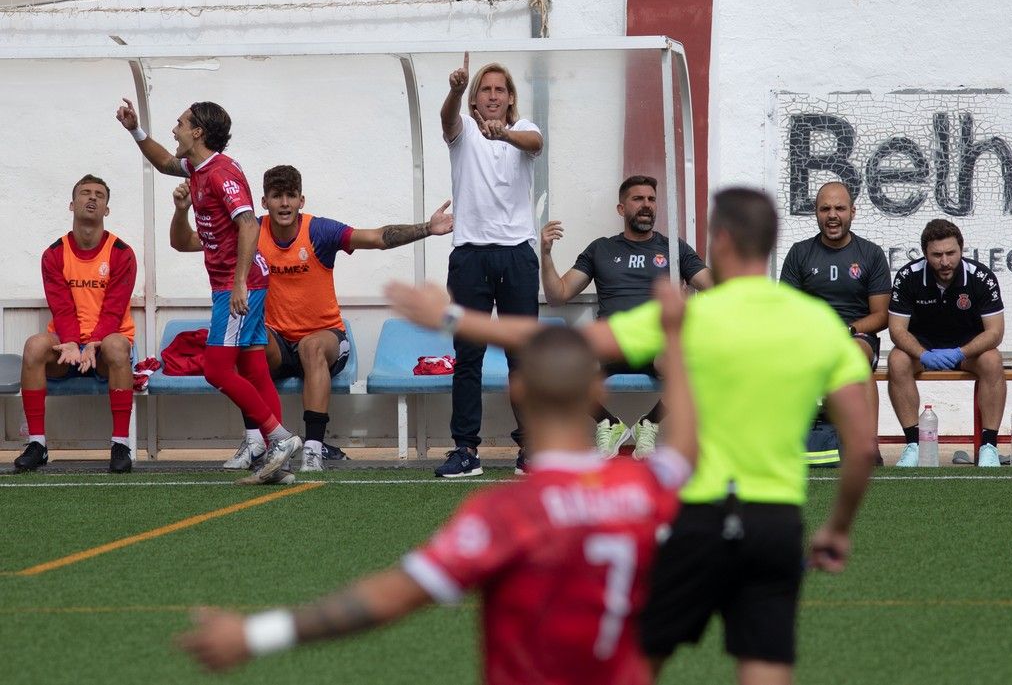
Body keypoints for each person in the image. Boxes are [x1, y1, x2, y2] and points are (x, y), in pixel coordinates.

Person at [387, 187, 877, 684]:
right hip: (775, 521)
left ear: (721, 240)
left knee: (638, 663)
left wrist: (451, 317)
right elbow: (859, 447)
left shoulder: (688, 317)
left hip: (698, 517)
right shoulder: (817, 324)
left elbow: (563, 343)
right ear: (772, 243)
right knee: (765, 668)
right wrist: (837, 527)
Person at [178, 279, 698, 685]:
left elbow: (390, 598)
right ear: (594, 389)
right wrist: (673, 336)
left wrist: (255, 634)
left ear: (517, 389)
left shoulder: (505, 514)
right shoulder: (651, 487)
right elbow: (687, 439)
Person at [170, 164, 454, 473]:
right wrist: (182, 210)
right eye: (277, 196)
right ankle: (256, 442)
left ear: (302, 200)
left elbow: (376, 238)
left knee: (310, 347)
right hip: (276, 339)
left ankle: (313, 449)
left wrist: (429, 227)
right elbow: (183, 243)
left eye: (291, 196)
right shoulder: (250, 232)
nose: (285, 204)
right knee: (244, 343)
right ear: (263, 202)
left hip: (325, 337)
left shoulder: (318, 231)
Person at [117, 98, 300, 484]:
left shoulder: (221, 173)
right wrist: (134, 129)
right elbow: (165, 161)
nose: (175, 129)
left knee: (217, 369)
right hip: (240, 282)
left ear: (198, 132)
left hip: (241, 284)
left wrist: (237, 283)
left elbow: (250, 225)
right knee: (252, 366)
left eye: (180, 123)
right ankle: (277, 459)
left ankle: (278, 439)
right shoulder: (195, 168)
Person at [541, 173, 713, 459]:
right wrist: (545, 254)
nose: (646, 205)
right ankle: (608, 422)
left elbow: (716, 288)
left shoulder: (674, 248)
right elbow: (557, 295)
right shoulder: (601, 249)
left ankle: (650, 424)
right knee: (552, 366)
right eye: (637, 199)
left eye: (651, 200)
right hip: (611, 344)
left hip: (657, 344)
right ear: (621, 208)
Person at [437, 52, 544, 478]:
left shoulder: (524, 128)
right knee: (468, 357)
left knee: (523, 357)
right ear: (476, 98)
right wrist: (455, 90)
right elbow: (448, 120)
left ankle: (531, 448)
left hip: (517, 253)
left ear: (511, 97)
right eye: (486, 89)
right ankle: (466, 450)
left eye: (500, 89)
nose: (494, 95)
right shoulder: (462, 131)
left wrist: (505, 136)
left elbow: (535, 144)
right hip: (470, 256)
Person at [14, 175, 137, 474]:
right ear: (72, 204)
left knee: (118, 345)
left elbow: (113, 309)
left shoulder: (122, 253)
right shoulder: (54, 253)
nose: (92, 198)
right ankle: (37, 444)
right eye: (85, 193)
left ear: (107, 209)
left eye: (99, 195)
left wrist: (93, 343)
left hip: (105, 348)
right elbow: (61, 306)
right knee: (33, 346)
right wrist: (71, 342)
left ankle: (121, 444)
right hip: (67, 348)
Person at [780, 180, 890, 459]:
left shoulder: (871, 254)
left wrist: (847, 329)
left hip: (855, 335)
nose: (832, 215)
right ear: (816, 213)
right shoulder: (799, 253)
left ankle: (868, 447)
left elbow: (880, 315)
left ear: (852, 212)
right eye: (824, 208)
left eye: (839, 208)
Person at [887, 218, 1006, 467]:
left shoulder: (981, 277)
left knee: (993, 359)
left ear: (961, 249)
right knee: (897, 359)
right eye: (936, 255)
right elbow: (897, 331)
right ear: (925, 254)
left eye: (951, 253)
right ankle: (913, 445)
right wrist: (923, 354)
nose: (944, 262)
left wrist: (959, 352)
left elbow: (995, 332)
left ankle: (989, 446)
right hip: (923, 349)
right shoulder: (908, 276)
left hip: (966, 349)